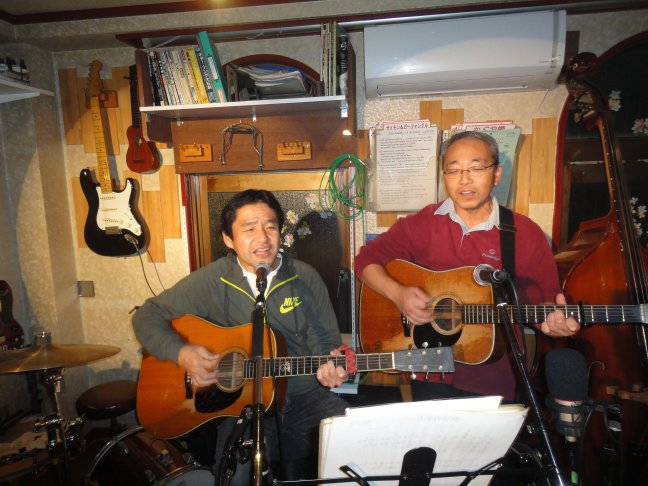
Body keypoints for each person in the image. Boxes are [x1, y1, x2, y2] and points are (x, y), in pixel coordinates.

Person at [132, 189, 349, 484]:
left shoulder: (304, 276)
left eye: (270, 227)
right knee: (234, 474)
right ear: (228, 239)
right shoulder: (213, 280)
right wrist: (182, 353)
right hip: (240, 407)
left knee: (354, 438)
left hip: (303, 397)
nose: (263, 239)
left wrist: (330, 364)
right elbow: (146, 316)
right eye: (249, 229)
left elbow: (326, 340)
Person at [355, 130, 580, 402]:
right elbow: (365, 260)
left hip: (494, 377)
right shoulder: (421, 224)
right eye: (454, 170)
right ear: (444, 177)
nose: (464, 179)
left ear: (496, 174)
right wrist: (398, 294)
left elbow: (543, 304)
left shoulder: (525, 234)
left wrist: (552, 323)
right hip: (429, 371)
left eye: (476, 168)